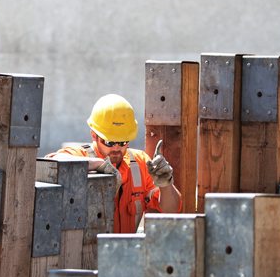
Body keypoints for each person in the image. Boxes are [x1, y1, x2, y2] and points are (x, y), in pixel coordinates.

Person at [46, 93, 182, 233]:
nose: (116, 148)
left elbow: (171, 210)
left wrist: (166, 185)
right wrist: (97, 164)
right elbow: (51, 162)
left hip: (124, 251)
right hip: (87, 253)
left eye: (123, 142)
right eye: (109, 142)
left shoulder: (140, 163)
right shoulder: (81, 155)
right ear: (94, 135)